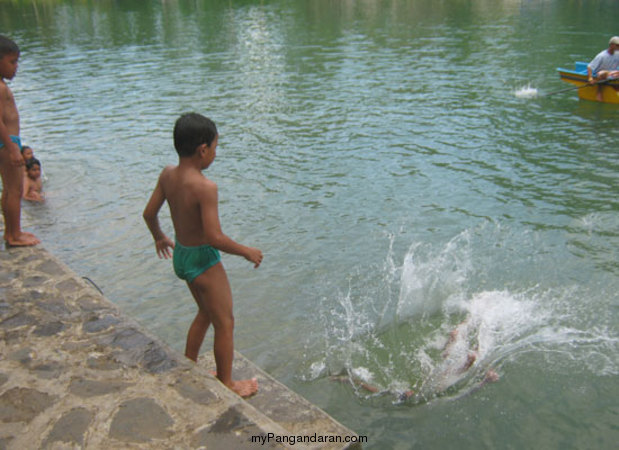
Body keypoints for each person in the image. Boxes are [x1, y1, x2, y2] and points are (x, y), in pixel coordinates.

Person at [143, 113, 263, 398]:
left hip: (182, 256)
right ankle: (227, 383)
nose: (215, 154)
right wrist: (247, 251)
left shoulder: (167, 175)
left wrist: (159, 236)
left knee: (205, 313)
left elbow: (149, 213)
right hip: (203, 260)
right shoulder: (205, 187)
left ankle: (189, 365)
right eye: (215, 147)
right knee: (226, 322)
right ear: (202, 149)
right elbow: (214, 236)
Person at [0, 35, 39, 246]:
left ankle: (10, 233)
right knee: (14, 189)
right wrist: (13, 148)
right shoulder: (1, 88)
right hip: (8, 143)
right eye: (12, 62)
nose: (16, 67)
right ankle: (15, 235)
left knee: (8, 189)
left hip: (6, 143)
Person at [587, 36, 619, 101]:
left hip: (613, 74)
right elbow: (589, 67)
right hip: (602, 76)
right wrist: (590, 78)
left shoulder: (618, 54)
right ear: (612, 45)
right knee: (603, 73)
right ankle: (599, 92)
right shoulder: (601, 56)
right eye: (618, 45)